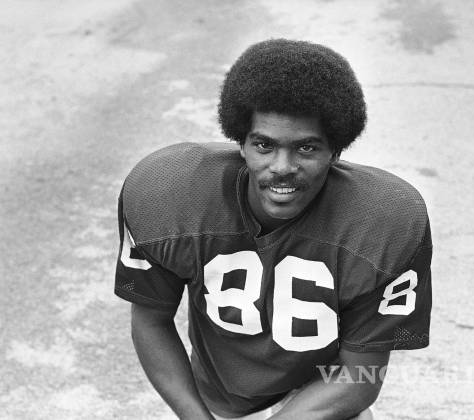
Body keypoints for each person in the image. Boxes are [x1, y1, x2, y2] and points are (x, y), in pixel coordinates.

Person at [114, 38, 432, 419]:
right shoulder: (171, 195)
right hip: (221, 400)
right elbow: (150, 320)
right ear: (241, 143)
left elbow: (361, 376)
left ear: (336, 150)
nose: (282, 167)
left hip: (321, 396)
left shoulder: (382, 223)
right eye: (264, 145)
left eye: (306, 148)